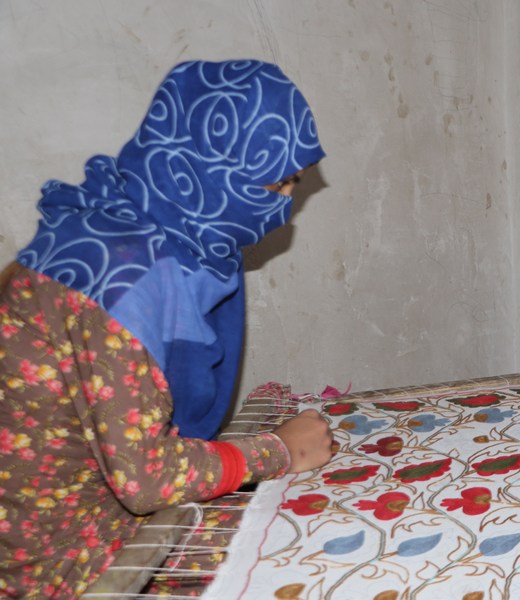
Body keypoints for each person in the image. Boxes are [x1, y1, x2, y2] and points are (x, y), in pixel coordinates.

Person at [0, 60, 334, 597]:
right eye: (277, 184)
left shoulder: (154, 234)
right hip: (61, 567)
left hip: (103, 521)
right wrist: (279, 450)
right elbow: (145, 476)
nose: (285, 203)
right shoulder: (119, 276)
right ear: (211, 171)